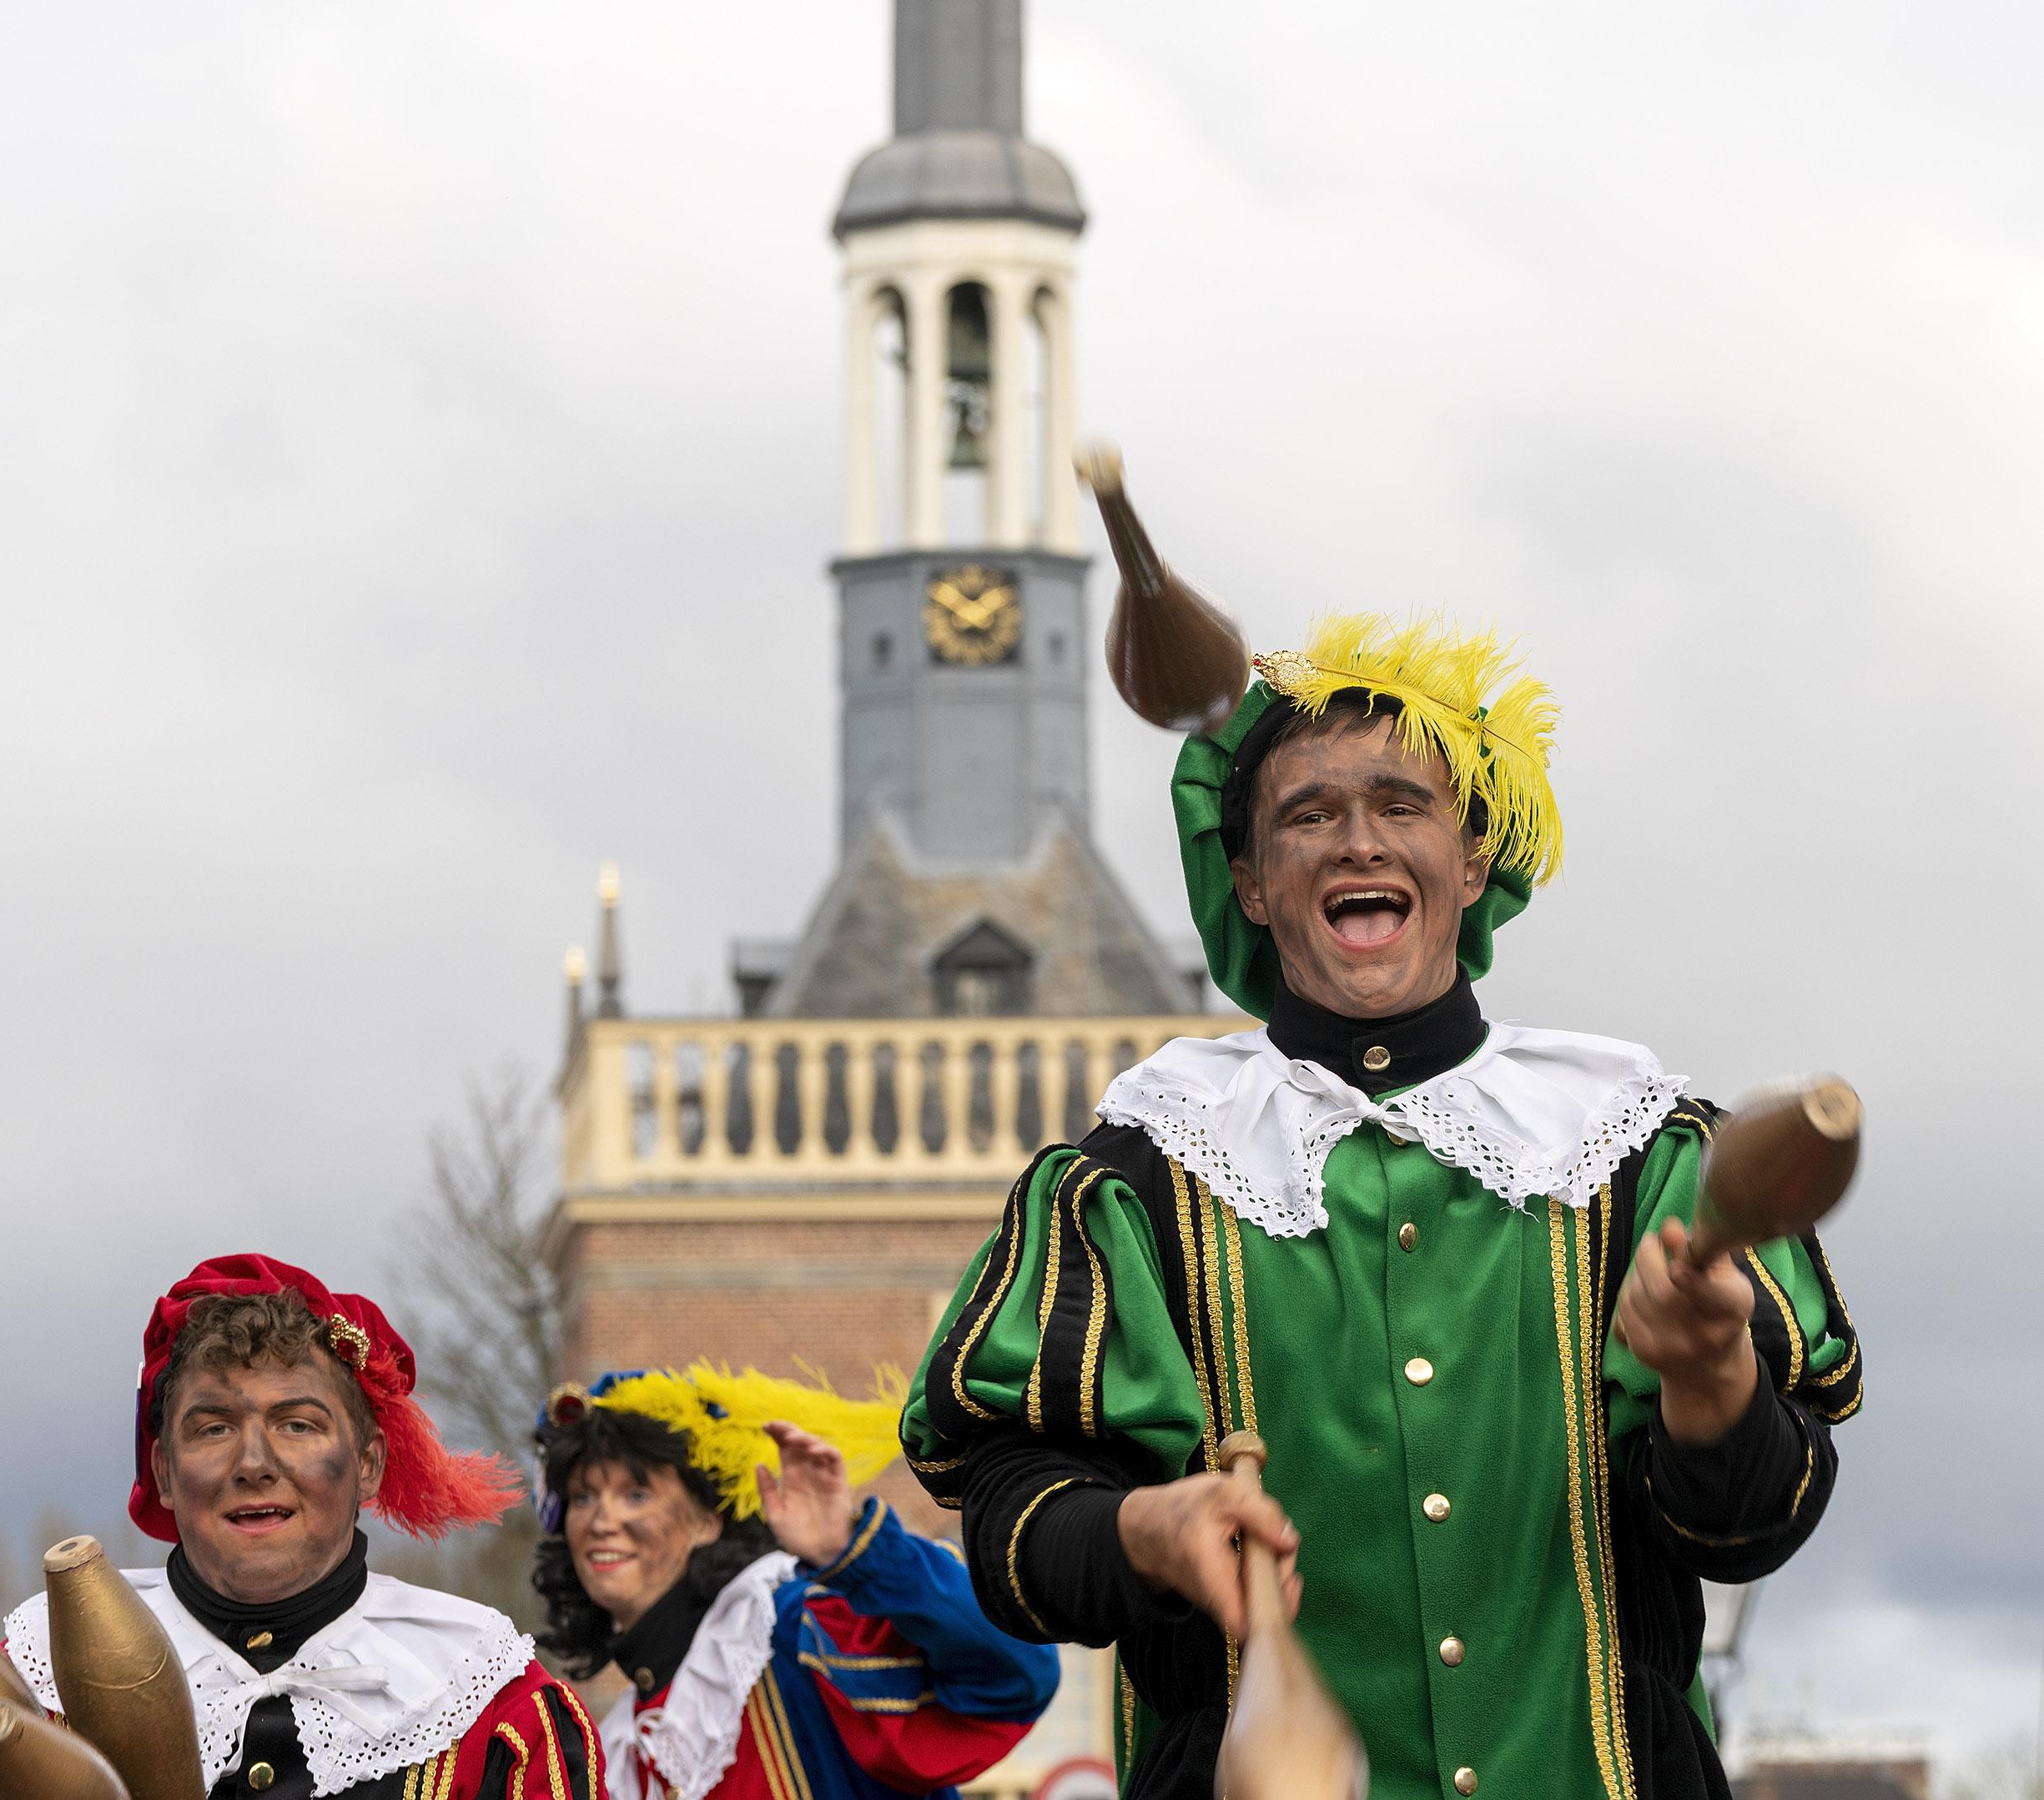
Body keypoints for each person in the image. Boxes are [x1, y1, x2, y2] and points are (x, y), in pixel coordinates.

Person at [901, 616, 1863, 1800]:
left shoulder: (1634, 1155)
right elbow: (1009, 1523)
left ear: (1470, 860)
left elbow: (1751, 1527)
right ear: (1249, 882)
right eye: (1307, 814)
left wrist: (1712, 1383)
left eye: (1402, 805)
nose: (1357, 838)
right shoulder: (1139, 1176)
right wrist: (1141, 1531)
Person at [0, 1253, 600, 1800]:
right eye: (214, 1427)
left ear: (369, 1465)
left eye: (297, 1423)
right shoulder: (21, 1683)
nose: (254, 1463)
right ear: (163, 1471)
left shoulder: (495, 1706)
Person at [531, 1365, 1060, 1800]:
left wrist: (853, 1551)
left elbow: (1016, 1664)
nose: (602, 1520)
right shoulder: (622, 1742)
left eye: (636, 1494)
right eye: (583, 1498)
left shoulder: (795, 1631)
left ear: (707, 1520)